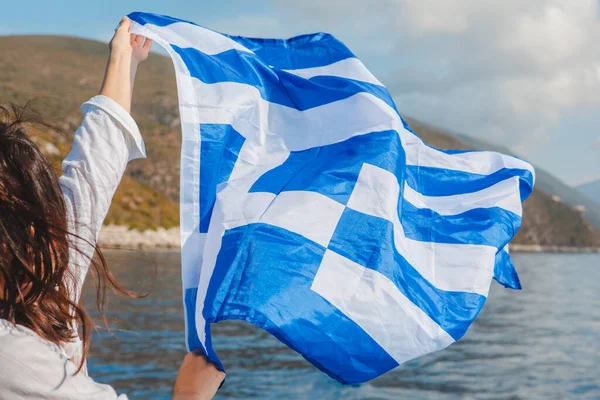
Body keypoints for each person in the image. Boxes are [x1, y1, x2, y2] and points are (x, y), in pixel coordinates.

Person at [0, 17, 224, 399]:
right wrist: (189, 394)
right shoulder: (10, 353)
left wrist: (125, 59)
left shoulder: (40, 273)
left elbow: (94, 166)